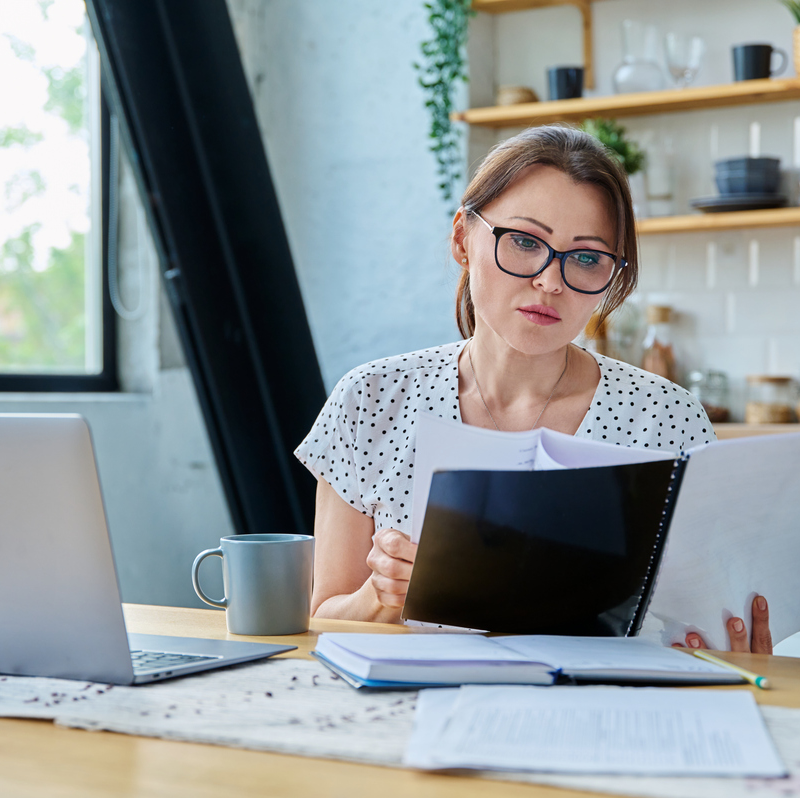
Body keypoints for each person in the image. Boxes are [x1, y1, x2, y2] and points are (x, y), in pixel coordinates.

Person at [294, 124, 771, 655]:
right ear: (462, 239)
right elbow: (323, 620)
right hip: (411, 717)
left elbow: (705, 627)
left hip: (605, 718)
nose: (551, 281)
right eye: (524, 242)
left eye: (587, 257)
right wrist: (382, 596)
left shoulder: (665, 417)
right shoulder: (372, 398)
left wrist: (728, 648)